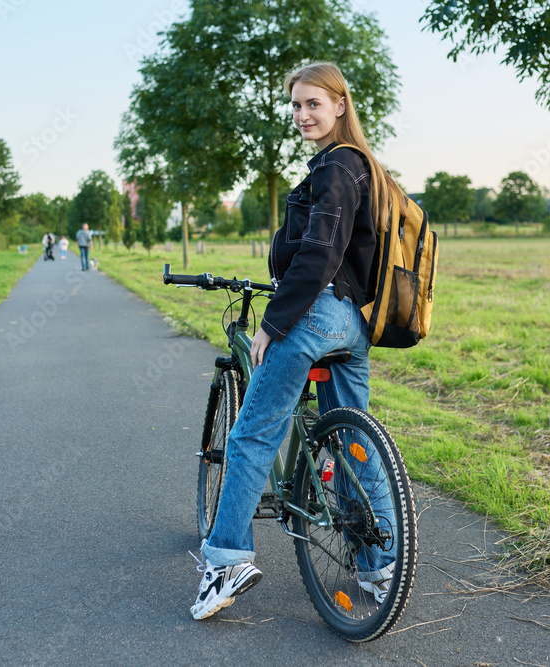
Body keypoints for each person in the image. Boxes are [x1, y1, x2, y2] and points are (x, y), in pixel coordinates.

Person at [191, 62, 402, 621]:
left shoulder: (337, 167)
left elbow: (320, 255)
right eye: (296, 106)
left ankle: (226, 560)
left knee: (252, 437)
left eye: (314, 104)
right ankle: (379, 564)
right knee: (356, 446)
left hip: (317, 313)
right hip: (354, 324)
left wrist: (271, 325)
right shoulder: (366, 169)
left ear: (340, 105)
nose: (303, 115)